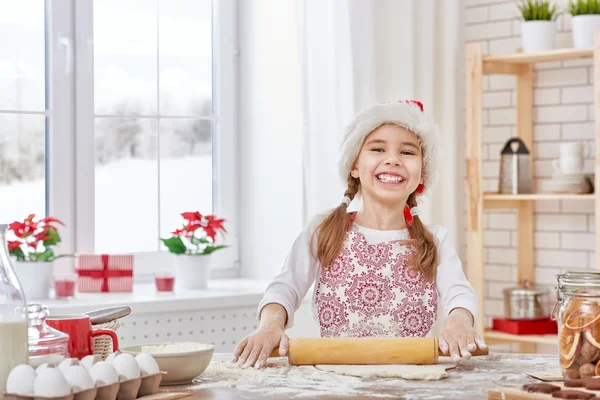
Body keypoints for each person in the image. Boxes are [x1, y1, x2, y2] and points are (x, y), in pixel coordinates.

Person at [233, 100, 487, 369]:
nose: (393, 159)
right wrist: (270, 325)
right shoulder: (324, 231)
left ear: (422, 173)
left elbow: (459, 293)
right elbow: (285, 287)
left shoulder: (435, 241)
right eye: (378, 148)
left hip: (409, 382)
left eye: (408, 152)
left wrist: (458, 322)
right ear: (354, 165)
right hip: (335, 379)